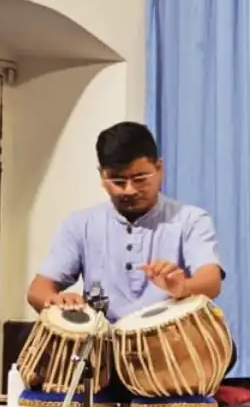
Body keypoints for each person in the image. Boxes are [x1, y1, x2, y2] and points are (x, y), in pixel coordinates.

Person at [27, 121, 224, 321]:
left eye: (140, 178)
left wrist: (183, 288)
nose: (129, 190)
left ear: (159, 169)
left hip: (171, 336)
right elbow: (38, 289)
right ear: (102, 176)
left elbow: (211, 280)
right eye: (118, 181)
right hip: (102, 337)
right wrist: (56, 300)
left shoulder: (190, 220)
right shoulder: (80, 225)